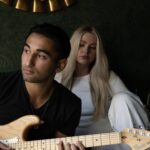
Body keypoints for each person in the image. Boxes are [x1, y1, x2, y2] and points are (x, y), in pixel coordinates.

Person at [55, 26, 150, 150]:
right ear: (72, 46)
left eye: (93, 47)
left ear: (97, 53)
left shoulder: (107, 77)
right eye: (81, 45)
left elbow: (131, 107)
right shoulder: (56, 78)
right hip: (75, 145)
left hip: (113, 143)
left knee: (123, 98)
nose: (86, 51)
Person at [0, 23, 85, 150]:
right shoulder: (2, 84)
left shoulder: (70, 105)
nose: (28, 62)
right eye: (27, 51)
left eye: (41, 56)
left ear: (60, 65)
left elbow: (60, 144)